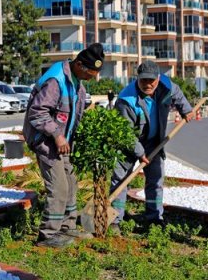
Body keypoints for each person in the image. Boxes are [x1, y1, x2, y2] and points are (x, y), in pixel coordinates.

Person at [23, 43, 105, 247]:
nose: (92, 78)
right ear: (79, 64)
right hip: (45, 140)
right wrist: (58, 136)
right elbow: (37, 112)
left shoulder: (76, 80)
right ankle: (48, 235)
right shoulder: (56, 81)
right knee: (59, 187)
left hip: (62, 142)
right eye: (90, 73)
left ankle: (68, 227)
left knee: (71, 183)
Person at [109, 60, 193, 231]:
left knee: (156, 179)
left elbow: (177, 94)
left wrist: (186, 109)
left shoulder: (166, 86)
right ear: (137, 78)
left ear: (158, 78)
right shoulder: (126, 100)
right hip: (128, 142)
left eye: (151, 81)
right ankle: (115, 220)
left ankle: (154, 218)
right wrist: (139, 153)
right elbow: (125, 133)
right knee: (121, 180)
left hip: (154, 141)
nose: (148, 84)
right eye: (143, 80)